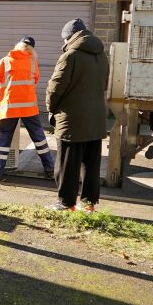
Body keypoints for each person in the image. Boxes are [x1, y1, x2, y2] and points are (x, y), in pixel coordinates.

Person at [46, 18, 109, 212]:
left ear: (69, 38)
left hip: (72, 120)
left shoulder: (70, 56)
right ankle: (89, 204)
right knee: (91, 163)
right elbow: (104, 85)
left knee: (67, 164)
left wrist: (51, 109)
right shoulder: (102, 55)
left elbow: (55, 88)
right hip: (96, 118)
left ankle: (66, 203)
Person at [0, 36, 54, 183]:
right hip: (29, 108)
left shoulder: (4, 61)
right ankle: (50, 169)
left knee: (4, 141)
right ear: (32, 50)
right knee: (39, 139)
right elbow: (33, 82)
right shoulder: (33, 62)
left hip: (9, 107)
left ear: (17, 46)